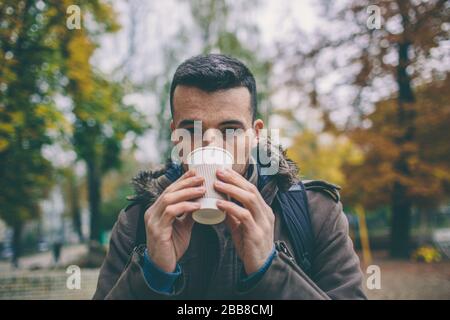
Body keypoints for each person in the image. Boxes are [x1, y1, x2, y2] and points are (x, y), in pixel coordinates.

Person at [93, 54, 366, 299]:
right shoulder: (139, 220)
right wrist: (153, 276)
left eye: (230, 129)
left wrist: (270, 271)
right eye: (192, 128)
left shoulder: (315, 212)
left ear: (256, 133)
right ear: (175, 134)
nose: (210, 143)